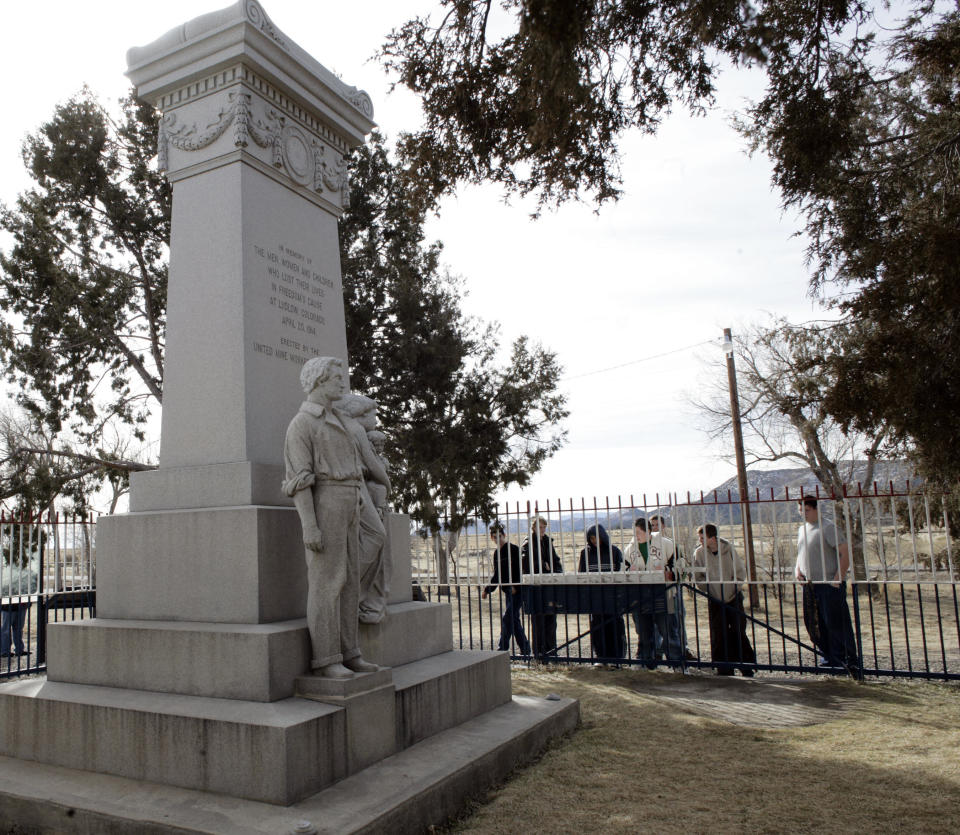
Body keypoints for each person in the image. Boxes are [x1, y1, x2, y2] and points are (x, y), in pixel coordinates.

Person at [283, 356, 378, 679]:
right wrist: (310, 524)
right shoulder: (303, 423)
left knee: (350, 581)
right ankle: (326, 659)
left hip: (350, 501)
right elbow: (299, 480)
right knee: (327, 583)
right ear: (319, 380)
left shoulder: (340, 420)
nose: (343, 383)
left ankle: (350, 652)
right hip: (327, 503)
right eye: (337, 377)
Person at [335, 393, 391, 624]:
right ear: (361, 413)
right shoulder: (354, 429)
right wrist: (386, 483)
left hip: (360, 488)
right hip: (353, 488)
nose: (376, 418)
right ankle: (349, 589)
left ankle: (356, 593)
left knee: (375, 538)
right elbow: (374, 466)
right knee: (376, 535)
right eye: (373, 413)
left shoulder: (354, 430)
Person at [796, 498, 859, 673]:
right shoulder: (802, 530)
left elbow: (844, 552)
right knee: (815, 624)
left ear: (816, 509)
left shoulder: (828, 527)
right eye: (800, 510)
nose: (803, 513)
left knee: (836, 623)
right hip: (809, 584)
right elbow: (801, 552)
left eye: (806, 510)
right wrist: (797, 569)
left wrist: (838, 579)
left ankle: (847, 661)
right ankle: (828, 658)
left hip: (828, 583)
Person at [692, 524, 756, 676]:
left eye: (703, 538)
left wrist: (734, 588)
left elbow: (740, 571)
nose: (700, 541)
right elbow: (698, 576)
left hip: (733, 597)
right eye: (699, 538)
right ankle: (723, 667)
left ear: (712, 538)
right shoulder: (699, 553)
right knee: (718, 633)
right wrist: (707, 590)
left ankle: (746, 666)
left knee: (737, 631)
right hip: (714, 599)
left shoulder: (728, 549)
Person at [623, 518, 679, 668]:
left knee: (667, 629)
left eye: (639, 533)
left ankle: (676, 663)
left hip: (664, 593)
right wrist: (629, 572)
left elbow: (680, 566)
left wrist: (669, 572)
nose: (636, 536)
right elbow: (624, 569)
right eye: (634, 533)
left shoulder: (666, 544)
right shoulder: (630, 549)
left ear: (648, 531)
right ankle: (646, 662)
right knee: (644, 631)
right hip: (640, 594)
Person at [578, 524, 626, 662]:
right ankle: (601, 656)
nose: (594, 541)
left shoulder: (615, 552)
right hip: (595, 598)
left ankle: (618, 657)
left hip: (613, 598)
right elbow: (582, 576)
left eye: (596, 537)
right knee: (598, 628)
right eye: (591, 538)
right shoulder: (585, 553)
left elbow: (621, 574)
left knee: (615, 628)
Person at [482, 523, 532, 657]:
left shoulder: (514, 549)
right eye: (494, 537)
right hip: (507, 591)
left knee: (507, 618)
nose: (498, 539)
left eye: (499, 536)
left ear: (504, 535)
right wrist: (488, 589)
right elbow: (497, 574)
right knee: (513, 620)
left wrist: (516, 585)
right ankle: (525, 650)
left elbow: (520, 570)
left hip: (518, 590)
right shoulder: (497, 553)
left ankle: (502, 649)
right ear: (492, 539)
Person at [649, 514, 691, 662]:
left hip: (671, 589)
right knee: (657, 621)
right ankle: (658, 651)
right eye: (652, 525)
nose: (654, 528)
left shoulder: (670, 544)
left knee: (676, 619)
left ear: (663, 526)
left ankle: (682, 649)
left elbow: (681, 568)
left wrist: (670, 572)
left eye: (657, 525)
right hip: (655, 590)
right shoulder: (648, 547)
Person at [520, 515, 564, 659]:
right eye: (539, 527)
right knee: (538, 621)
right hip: (536, 587)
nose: (542, 529)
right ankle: (539, 653)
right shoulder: (528, 544)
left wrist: (555, 570)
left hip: (549, 586)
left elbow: (555, 561)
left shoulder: (547, 542)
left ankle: (551, 651)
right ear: (533, 528)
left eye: (544, 527)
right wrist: (544, 566)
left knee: (551, 620)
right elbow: (526, 565)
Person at [1, 557, 38, 659]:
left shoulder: (27, 573)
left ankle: (19, 650)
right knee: (6, 629)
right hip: (8, 605)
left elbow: (32, 587)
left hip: (20, 605)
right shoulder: (7, 574)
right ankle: (5, 651)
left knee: (18, 628)